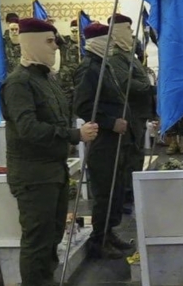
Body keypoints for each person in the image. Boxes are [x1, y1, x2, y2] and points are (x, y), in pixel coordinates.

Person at [0, 18, 98, 286]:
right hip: (33, 175)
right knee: (37, 240)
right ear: (32, 42)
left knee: (53, 235)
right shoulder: (19, 83)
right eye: (50, 41)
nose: (55, 47)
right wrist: (74, 135)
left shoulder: (45, 78)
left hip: (53, 170)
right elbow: (28, 128)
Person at [73, 23, 136, 259]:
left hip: (115, 139)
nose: (111, 44)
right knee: (105, 192)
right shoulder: (88, 69)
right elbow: (82, 106)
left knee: (115, 189)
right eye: (107, 40)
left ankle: (109, 233)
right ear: (96, 42)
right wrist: (110, 122)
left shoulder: (102, 65)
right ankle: (99, 240)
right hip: (103, 139)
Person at [107, 13, 154, 211]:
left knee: (136, 155)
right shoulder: (115, 57)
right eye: (127, 28)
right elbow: (126, 84)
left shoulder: (128, 54)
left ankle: (132, 193)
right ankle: (126, 197)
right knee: (128, 157)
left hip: (138, 113)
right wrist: (150, 88)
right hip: (129, 113)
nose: (131, 32)